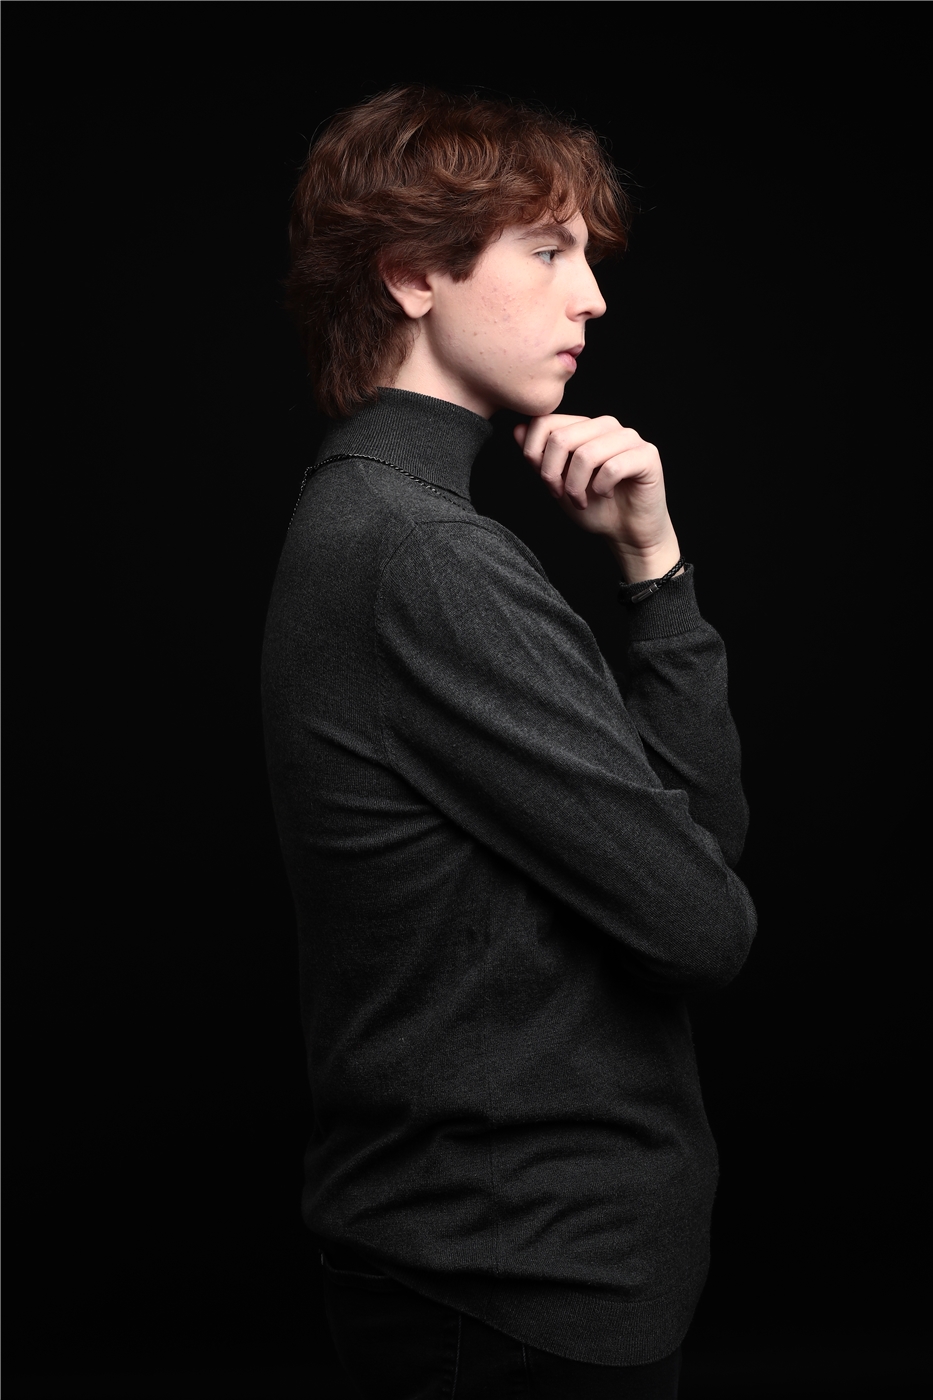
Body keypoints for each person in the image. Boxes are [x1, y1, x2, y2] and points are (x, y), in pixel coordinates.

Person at [262, 85, 756, 1398]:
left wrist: (653, 567)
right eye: (545, 251)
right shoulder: (422, 556)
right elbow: (705, 927)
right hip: (511, 1291)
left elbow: (700, 852)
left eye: (585, 256)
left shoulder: (375, 522)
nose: (589, 298)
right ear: (412, 272)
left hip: (499, 1274)